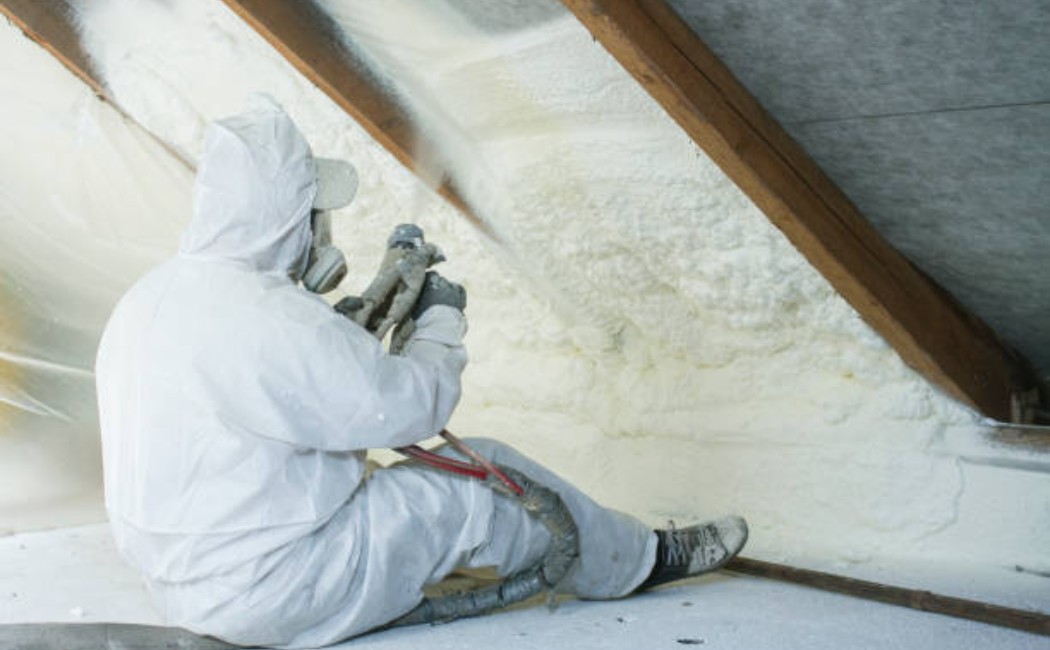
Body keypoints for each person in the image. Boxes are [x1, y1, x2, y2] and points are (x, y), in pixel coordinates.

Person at [95, 95, 748, 649]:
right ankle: (641, 562)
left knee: (398, 486)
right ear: (287, 216)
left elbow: (273, 391)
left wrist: (345, 330)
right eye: (313, 212)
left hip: (179, 586)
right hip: (277, 589)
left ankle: (629, 555)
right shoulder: (273, 318)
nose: (319, 229)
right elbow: (408, 410)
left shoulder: (149, 299)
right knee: (485, 479)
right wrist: (440, 323)